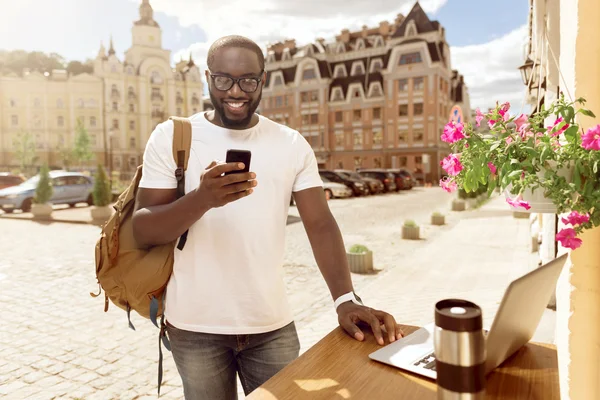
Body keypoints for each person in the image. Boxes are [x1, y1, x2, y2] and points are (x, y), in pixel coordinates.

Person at [132, 35, 403, 400]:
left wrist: (345, 299)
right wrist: (203, 198)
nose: (236, 91)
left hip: (271, 327)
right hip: (193, 328)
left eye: (248, 80)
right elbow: (143, 229)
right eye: (224, 79)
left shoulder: (290, 144)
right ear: (209, 78)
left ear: (263, 79)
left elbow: (320, 224)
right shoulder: (172, 136)